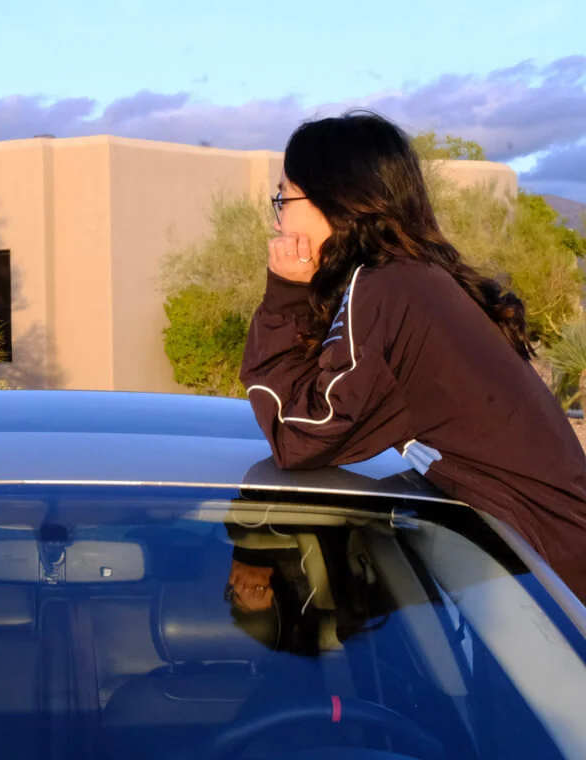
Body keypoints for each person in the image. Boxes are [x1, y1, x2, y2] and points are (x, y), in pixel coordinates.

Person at [240, 110, 586, 602]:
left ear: (336, 200)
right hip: (542, 557)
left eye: (284, 198)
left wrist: (283, 296)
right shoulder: (413, 280)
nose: (278, 219)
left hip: (547, 577)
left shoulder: (385, 289)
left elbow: (301, 437)